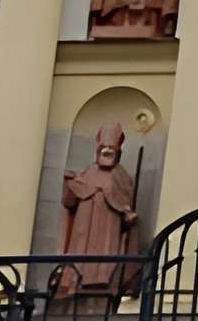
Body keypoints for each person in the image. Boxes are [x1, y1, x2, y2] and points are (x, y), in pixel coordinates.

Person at [53, 123, 140, 299]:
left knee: (106, 253)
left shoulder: (121, 175)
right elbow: (69, 203)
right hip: (83, 225)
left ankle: (105, 281)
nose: (107, 151)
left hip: (109, 225)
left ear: (118, 151)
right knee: (80, 251)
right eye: (104, 148)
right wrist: (72, 184)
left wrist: (122, 208)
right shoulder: (88, 173)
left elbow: (124, 201)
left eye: (111, 148)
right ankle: (72, 282)